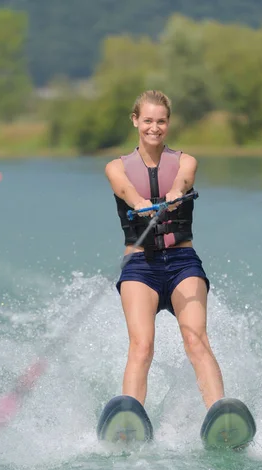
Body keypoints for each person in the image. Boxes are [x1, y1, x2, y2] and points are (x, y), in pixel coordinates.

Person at [104, 89, 225, 413]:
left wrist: (172, 194)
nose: (153, 128)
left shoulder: (186, 161)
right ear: (135, 121)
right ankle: (129, 418)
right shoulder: (116, 167)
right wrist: (139, 203)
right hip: (140, 265)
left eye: (160, 121)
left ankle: (220, 414)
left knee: (195, 338)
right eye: (147, 120)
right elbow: (125, 188)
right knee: (142, 346)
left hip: (182, 263)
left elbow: (183, 182)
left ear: (168, 124)